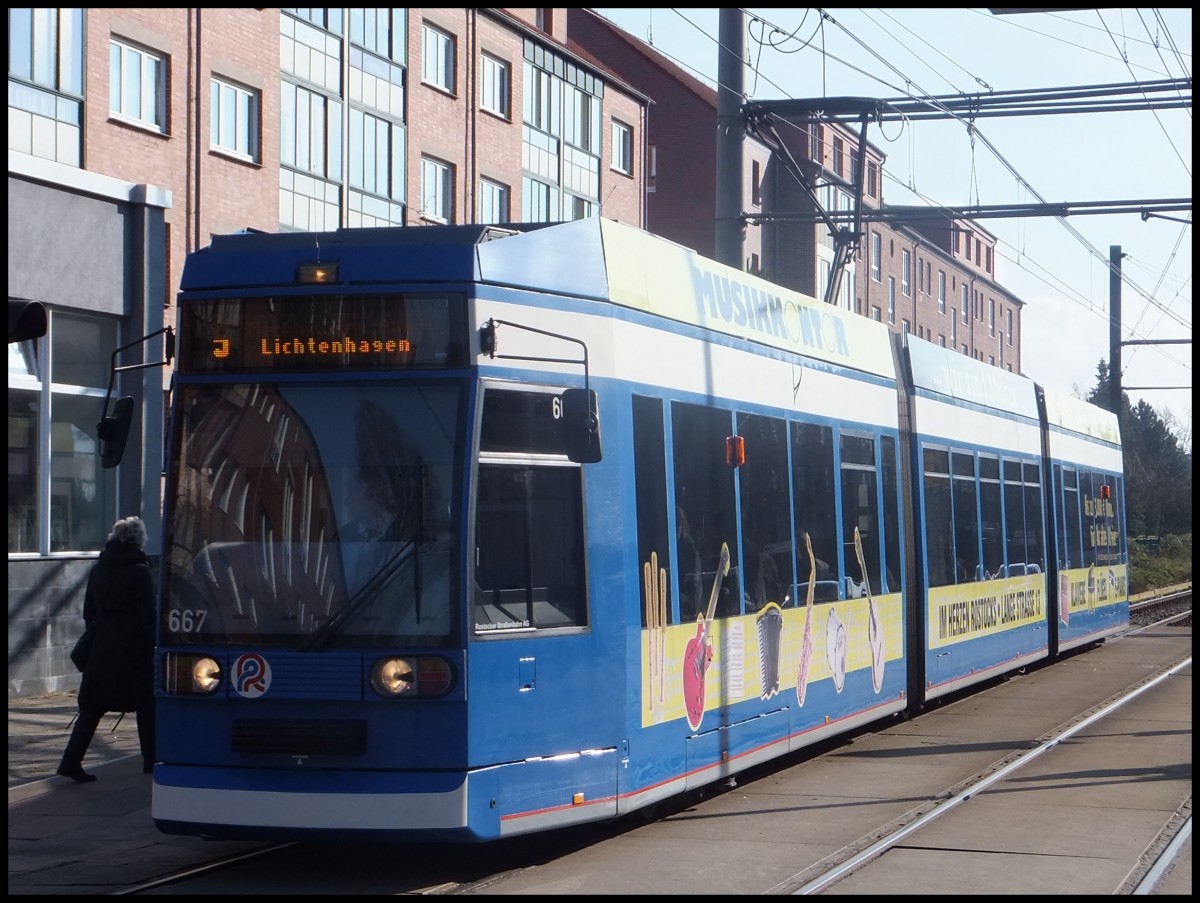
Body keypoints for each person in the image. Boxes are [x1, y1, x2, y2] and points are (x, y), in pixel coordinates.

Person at [57, 516, 156, 782]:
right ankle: (151, 760)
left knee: (92, 705)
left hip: (102, 646)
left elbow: (89, 611)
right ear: (139, 539)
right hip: (132, 649)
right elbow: (148, 615)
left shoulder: (98, 568)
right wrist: (153, 647)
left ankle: (70, 761)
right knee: (146, 703)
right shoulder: (140, 571)